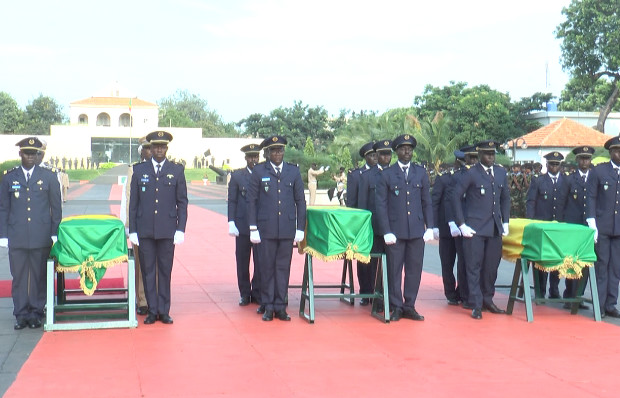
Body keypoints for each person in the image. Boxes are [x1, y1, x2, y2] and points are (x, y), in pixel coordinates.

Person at [0, 137, 62, 329]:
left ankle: (36, 312)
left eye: (34, 154)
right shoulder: (9, 177)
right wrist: (3, 234)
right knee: (18, 276)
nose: (30, 157)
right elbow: (3, 208)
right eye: (27, 153)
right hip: (17, 234)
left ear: (38, 155)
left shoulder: (49, 177)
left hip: (40, 234)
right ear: (20, 154)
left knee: (38, 275)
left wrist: (54, 233)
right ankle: (20, 313)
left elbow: (56, 208)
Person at [129, 130, 188, 325]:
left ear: (166, 148)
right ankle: (152, 311)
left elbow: (182, 202)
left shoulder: (177, 170)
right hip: (145, 230)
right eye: (156, 147)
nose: (159, 150)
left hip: (167, 230)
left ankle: (164, 311)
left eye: (162, 147)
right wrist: (133, 230)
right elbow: (134, 204)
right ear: (151, 148)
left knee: (165, 271)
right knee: (147, 271)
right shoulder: (139, 170)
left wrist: (181, 229)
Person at [376, 134, 434, 321]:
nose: (407, 151)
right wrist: (386, 230)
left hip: (416, 230)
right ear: (396, 151)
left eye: (409, 148)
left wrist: (430, 226)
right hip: (395, 231)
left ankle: (410, 305)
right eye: (402, 148)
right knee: (394, 270)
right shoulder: (387, 174)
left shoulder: (420, 172)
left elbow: (427, 201)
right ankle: (397, 306)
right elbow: (381, 205)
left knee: (414, 270)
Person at [247, 135, 306, 321]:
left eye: (280, 150)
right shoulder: (258, 171)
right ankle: (268, 305)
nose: (277, 153)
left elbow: (300, 201)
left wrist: (300, 228)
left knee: (283, 268)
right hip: (266, 228)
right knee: (266, 268)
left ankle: (280, 306)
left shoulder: (293, 171)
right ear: (267, 153)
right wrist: (252, 227)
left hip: (287, 229)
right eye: (273, 150)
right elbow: (251, 201)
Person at [451, 140, 510, 320]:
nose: (490, 157)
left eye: (492, 154)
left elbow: (505, 198)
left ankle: (488, 299)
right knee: (474, 267)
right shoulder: (472, 173)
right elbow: (455, 196)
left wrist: (505, 221)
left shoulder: (500, 172)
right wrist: (461, 224)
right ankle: (476, 303)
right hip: (475, 228)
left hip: (493, 228)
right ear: (479, 155)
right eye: (487, 154)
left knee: (491, 268)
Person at [586, 136, 620, 318]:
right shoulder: (599, 172)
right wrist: (592, 222)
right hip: (603, 226)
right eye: (617, 151)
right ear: (611, 152)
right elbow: (591, 197)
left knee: (616, 268)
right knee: (602, 267)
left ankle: (611, 304)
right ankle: (599, 305)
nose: (619, 154)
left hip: (619, 228)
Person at [558, 146, 595, 309]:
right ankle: (569, 296)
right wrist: (561, 224)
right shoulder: (569, 179)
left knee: (585, 262)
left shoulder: (595, 177)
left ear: (590, 160)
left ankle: (578, 296)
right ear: (577, 160)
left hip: (588, 227)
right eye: (581, 158)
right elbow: (561, 203)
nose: (584, 161)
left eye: (587, 159)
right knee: (571, 262)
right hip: (572, 225)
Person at [357, 140, 393, 307]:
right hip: (374, 228)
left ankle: (389, 296)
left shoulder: (396, 173)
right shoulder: (367, 176)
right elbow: (362, 206)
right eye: (382, 154)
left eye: (388, 154)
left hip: (393, 228)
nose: (386, 157)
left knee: (393, 264)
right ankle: (370, 293)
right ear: (376, 155)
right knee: (371, 263)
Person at [526, 151, 565, 299]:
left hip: (559, 226)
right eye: (551, 164)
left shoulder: (565, 181)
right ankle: (540, 290)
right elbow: (531, 202)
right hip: (542, 225)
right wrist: (531, 222)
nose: (554, 167)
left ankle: (554, 289)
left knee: (557, 259)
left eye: (557, 164)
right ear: (546, 165)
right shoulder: (538, 181)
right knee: (541, 260)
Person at [228, 143, 261, 308]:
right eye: (250, 157)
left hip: (260, 226)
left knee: (260, 261)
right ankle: (244, 293)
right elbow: (232, 200)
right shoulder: (237, 176)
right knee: (242, 261)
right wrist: (231, 221)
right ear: (245, 158)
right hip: (242, 225)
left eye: (256, 156)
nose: (253, 160)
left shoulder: (264, 174)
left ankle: (256, 291)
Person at [432, 150, 465, 306]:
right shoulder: (444, 179)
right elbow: (435, 202)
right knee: (447, 262)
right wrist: (434, 226)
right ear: (457, 161)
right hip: (446, 228)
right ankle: (450, 292)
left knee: (464, 262)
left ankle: (462, 291)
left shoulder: (468, 178)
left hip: (464, 228)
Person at [124, 136, 151, 316]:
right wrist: (129, 225)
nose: (151, 151)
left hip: (157, 224)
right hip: (140, 224)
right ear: (141, 151)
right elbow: (129, 199)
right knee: (141, 265)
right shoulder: (134, 170)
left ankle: (155, 298)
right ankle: (142, 300)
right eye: (148, 148)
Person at [346, 142, 377, 208]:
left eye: (377, 155)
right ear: (365, 157)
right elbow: (351, 203)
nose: (375, 158)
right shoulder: (356, 175)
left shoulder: (383, 173)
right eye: (372, 155)